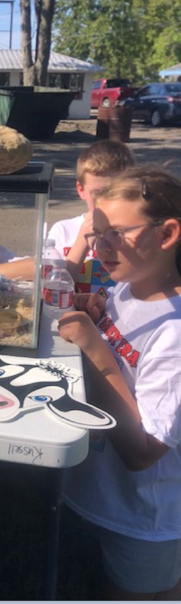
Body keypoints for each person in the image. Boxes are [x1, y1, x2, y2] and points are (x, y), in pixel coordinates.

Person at [58, 166, 181, 600]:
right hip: (102, 495)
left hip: (145, 517)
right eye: (98, 233)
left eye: (117, 234)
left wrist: (94, 347)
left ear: (167, 235)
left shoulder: (175, 332)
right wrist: (95, 316)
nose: (100, 247)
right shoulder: (127, 286)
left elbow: (144, 452)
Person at [47, 139, 136, 296]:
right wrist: (82, 241)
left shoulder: (136, 232)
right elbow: (54, 290)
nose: (106, 201)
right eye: (98, 193)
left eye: (116, 192)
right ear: (81, 190)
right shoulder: (63, 230)